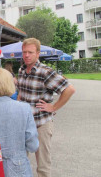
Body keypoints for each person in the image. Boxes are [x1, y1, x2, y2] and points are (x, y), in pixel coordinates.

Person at [17, 38, 76, 177]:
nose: (26, 55)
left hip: (41, 124)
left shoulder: (45, 72)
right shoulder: (21, 70)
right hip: (24, 123)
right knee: (19, 159)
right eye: (24, 52)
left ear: (38, 53)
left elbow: (69, 89)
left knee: (43, 165)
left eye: (30, 52)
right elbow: (21, 92)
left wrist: (54, 107)